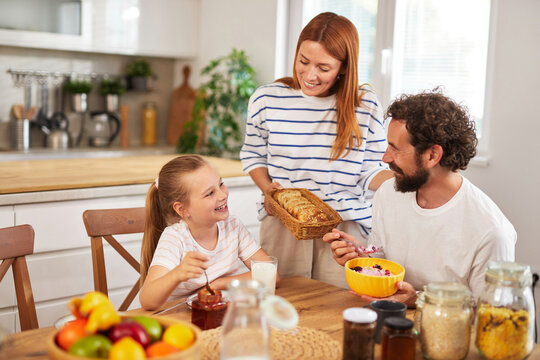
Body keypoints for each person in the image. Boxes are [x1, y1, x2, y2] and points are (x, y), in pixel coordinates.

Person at [240, 12, 393, 288]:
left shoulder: (365, 106)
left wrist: (406, 179)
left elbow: (371, 171)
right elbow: (253, 155)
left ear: (344, 67)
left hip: (344, 231)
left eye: (323, 68)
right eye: (303, 61)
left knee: (338, 312)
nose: (310, 75)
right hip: (283, 224)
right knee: (279, 307)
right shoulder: (267, 98)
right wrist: (269, 191)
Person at [323, 91, 516, 306]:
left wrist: (419, 300)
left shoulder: (491, 232)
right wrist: (360, 260)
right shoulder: (389, 193)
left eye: (395, 149)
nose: (385, 158)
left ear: (432, 155)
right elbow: (384, 264)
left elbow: (493, 317)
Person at [139, 155, 278, 310]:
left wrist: (218, 284)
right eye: (210, 193)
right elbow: (147, 300)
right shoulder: (175, 238)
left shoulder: (233, 227)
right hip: (182, 320)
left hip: (220, 314)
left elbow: (271, 275)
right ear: (182, 209)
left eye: (221, 184)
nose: (222, 195)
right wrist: (177, 274)